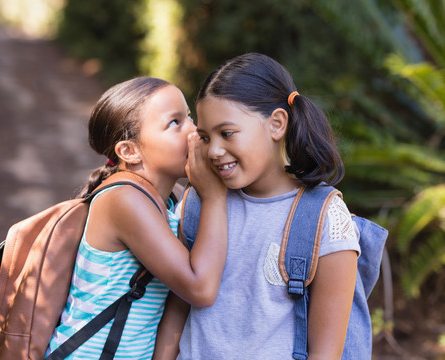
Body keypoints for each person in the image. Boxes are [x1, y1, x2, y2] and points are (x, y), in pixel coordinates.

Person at [153, 53, 360, 360]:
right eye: (205, 137)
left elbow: (326, 352)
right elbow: (177, 307)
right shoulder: (199, 201)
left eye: (227, 133)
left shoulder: (325, 219)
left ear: (276, 124)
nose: (214, 151)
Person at [45, 77, 228, 359]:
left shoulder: (170, 198)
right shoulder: (124, 200)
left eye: (190, 117)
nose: (195, 131)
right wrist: (215, 197)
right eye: (175, 123)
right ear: (129, 151)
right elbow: (200, 288)